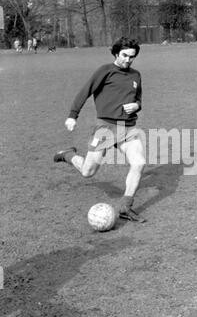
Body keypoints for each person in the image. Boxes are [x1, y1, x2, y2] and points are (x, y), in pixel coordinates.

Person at [53, 36, 146, 222]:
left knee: (139, 163)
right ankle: (67, 155)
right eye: (124, 55)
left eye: (132, 57)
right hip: (105, 127)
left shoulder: (136, 75)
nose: (128, 60)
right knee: (88, 172)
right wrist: (73, 115)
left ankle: (125, 207)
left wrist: (136, 106)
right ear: (116, 53)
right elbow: (85, 91)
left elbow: (138, 99)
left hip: (128, 127)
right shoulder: (106, 71)